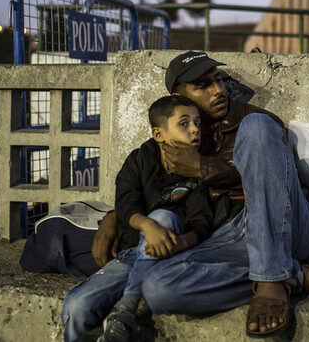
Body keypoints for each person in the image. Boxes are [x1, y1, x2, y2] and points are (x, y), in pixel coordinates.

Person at [67, 51, 309, 340]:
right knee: (159, 286)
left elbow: (276, 178)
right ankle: (295, 277)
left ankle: (272, 279)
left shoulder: (255, 121)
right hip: (228, 239)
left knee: (256, 129)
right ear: (178, 95)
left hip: (280, 223)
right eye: (202, 85)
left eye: (218, 80)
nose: (218, 90)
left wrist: (202, 168)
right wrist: (116, 216)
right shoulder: (170, 143)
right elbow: (157, 192)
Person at [70, 95, 216, 342]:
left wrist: (182, 242)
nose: (194, 130)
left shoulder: (199, 169)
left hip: (169, 257)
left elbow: (202, 221)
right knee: (77, 306)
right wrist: (147, 226)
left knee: (162, 217)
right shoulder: (139, 160)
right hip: (131, 256)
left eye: (197, 123)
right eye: (184, 123)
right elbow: (125, 206)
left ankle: (125, 311)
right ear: (159, 135)